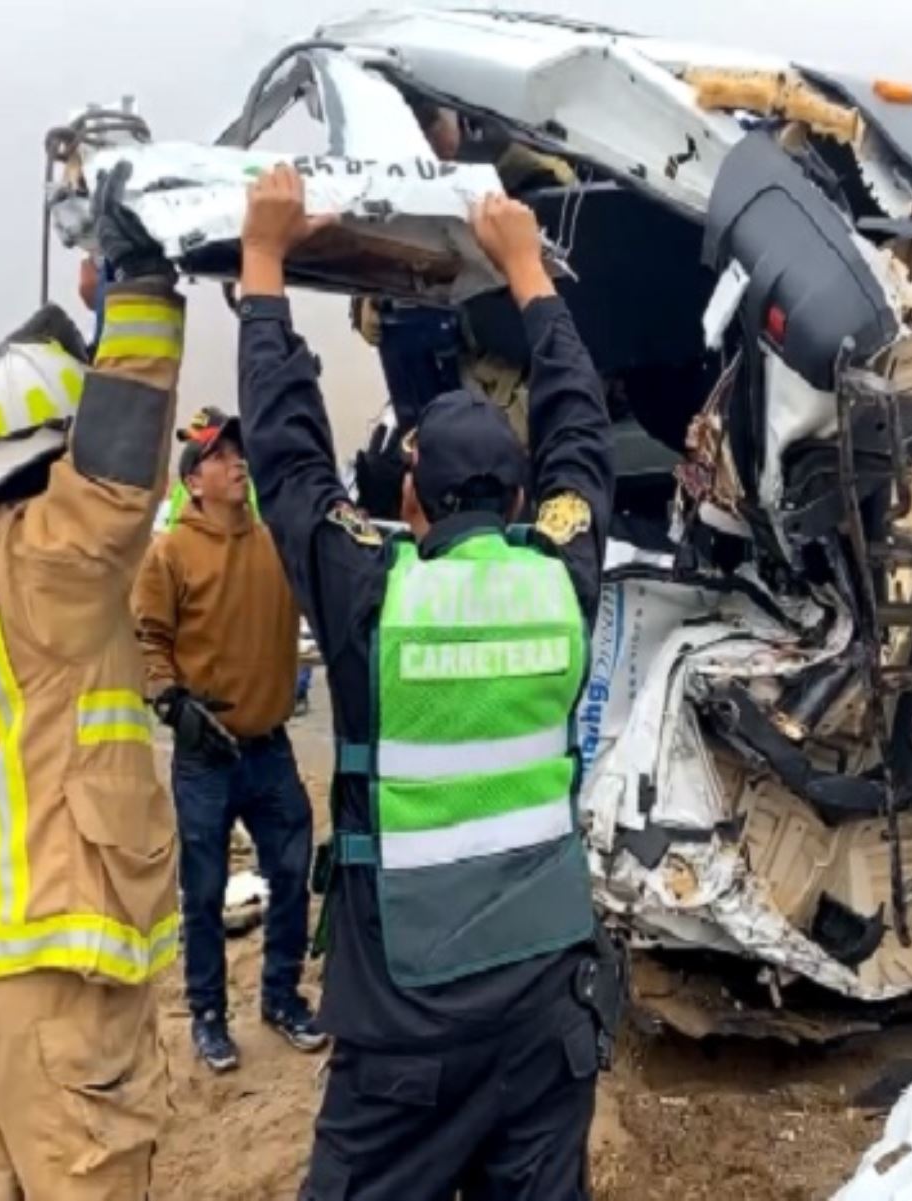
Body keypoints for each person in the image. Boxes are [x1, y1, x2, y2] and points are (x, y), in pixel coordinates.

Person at [236, 165, 622, 1201]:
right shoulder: (561, 581)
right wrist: (528, 271)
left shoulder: (377, 603)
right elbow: (584, 435)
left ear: (412, 500)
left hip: (409, 1032)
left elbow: (286, 463)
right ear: (522, 495)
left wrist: (263, 264)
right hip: (548, 1016)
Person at [0, 177, 186, 1199]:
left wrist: (84, 317)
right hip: (46, 975)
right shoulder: (50, 565)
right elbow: (116, 474)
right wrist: (145, 287)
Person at [132, 409, 324, 1071]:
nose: (236, 463)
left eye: (238, 453)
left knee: (294, 871)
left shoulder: (275, 543)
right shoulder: (171, 553)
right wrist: (170, 700)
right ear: (194, 480)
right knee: (206, 887)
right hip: (205, 755)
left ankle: (282, 995)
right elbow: (147, 639)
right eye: (219, 456)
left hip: (269, 747)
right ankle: (209, 1015)